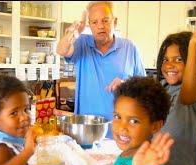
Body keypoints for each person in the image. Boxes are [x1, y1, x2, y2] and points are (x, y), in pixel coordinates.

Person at [56, 1, 146, 138]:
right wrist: (74, 33)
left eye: (105, 21)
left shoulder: (130, 48)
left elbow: (145, 89)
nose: (100, 26)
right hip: (85, 132)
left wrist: (126, 85)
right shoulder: (82, 43)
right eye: (94, 22)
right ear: (89, 25)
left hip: (121, 133)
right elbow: (61, 50)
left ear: (114, 22)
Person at [156, 22, 196, 165]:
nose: (169, 65)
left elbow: (187, 97)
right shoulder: (162, 85)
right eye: (165, 60)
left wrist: (193, 45)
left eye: (178, 59)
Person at [110, 76, 174, 165]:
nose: (122, 127)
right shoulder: (129, 152)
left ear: (155, 126)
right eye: (118, 117)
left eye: (133, 121)